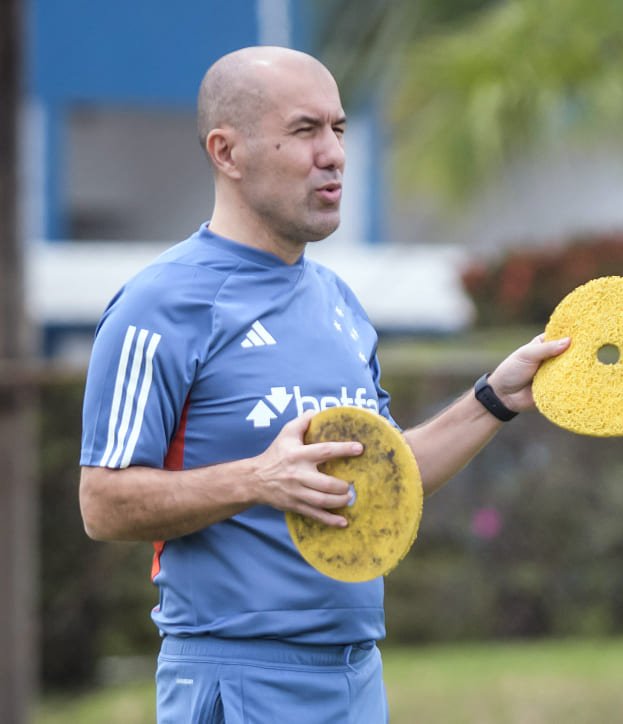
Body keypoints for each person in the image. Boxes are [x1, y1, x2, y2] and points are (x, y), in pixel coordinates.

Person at [77, 46, 569, 722]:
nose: (334, 153)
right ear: (227, 151)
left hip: (355, 675)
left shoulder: (338, 302)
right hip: (234, 675)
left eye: (338, 130)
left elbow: (384, 477)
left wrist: (496, 399)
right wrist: (256, 479)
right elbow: (102, 503)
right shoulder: (160, 305)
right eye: (306, 130)